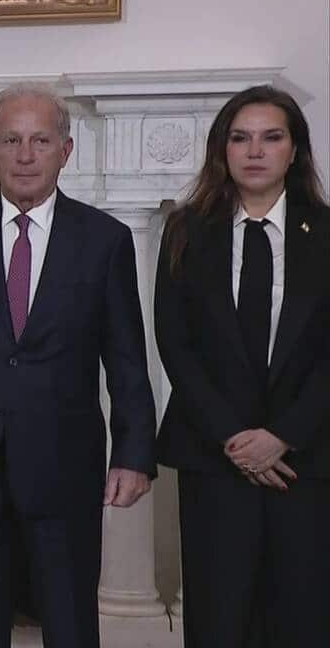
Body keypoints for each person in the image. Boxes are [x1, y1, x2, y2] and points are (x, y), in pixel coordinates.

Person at [0, 83, 157, 648]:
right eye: (11, 140)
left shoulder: (105, 240)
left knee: (69, 623)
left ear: (66, 151)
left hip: (64, 466)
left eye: (40, 141)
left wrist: (134, 454)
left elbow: (126, 358)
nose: (25, 155)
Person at [154, 85, 330, 647]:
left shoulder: (326, 232)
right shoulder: (186, 230)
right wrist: (234, 438)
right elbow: (175, 343)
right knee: (219, 620)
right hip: (213, 458)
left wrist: (283, 436)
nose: (255, 151)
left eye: (271, 137)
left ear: (294, 150)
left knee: (303, 619)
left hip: (307, 462)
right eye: (240, 138)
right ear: (222, 149)